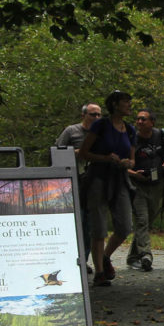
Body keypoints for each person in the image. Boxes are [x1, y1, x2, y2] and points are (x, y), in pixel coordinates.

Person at [79, 90, 135, 287]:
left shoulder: (130, 129)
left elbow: (133, 158)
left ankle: (105, 256)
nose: (129, 105)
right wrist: (105, 158)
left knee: (125, 226)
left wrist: (128, 163)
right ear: (114, 105)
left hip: (119, 179)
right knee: (99, 227)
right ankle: (100, 274)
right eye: (125, 102)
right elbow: (84, 153)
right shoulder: (100, 125)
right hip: (98, 179)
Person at [125, 109, 164, 272]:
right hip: (137, 185)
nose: (140, 122)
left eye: (143, 119)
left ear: (152, 122)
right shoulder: (131, 139)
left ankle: (132, 257)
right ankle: (146, 255)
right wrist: (134, 173)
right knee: (142, 219)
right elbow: (122, 164)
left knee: (148, 221)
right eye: (138, 119)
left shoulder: (161, 135)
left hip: (157, 184)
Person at [56, 102, 101, 272]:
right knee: (77, 222)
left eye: (99, 115)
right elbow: (57, 151)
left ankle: (84, 260)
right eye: (92, 115)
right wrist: (77, 152)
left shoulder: (101, 133)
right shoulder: (71, 131)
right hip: (72, 184)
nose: (96, 118)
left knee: (89, 224)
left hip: (93, 182)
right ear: (84, 116)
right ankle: (70, 257)